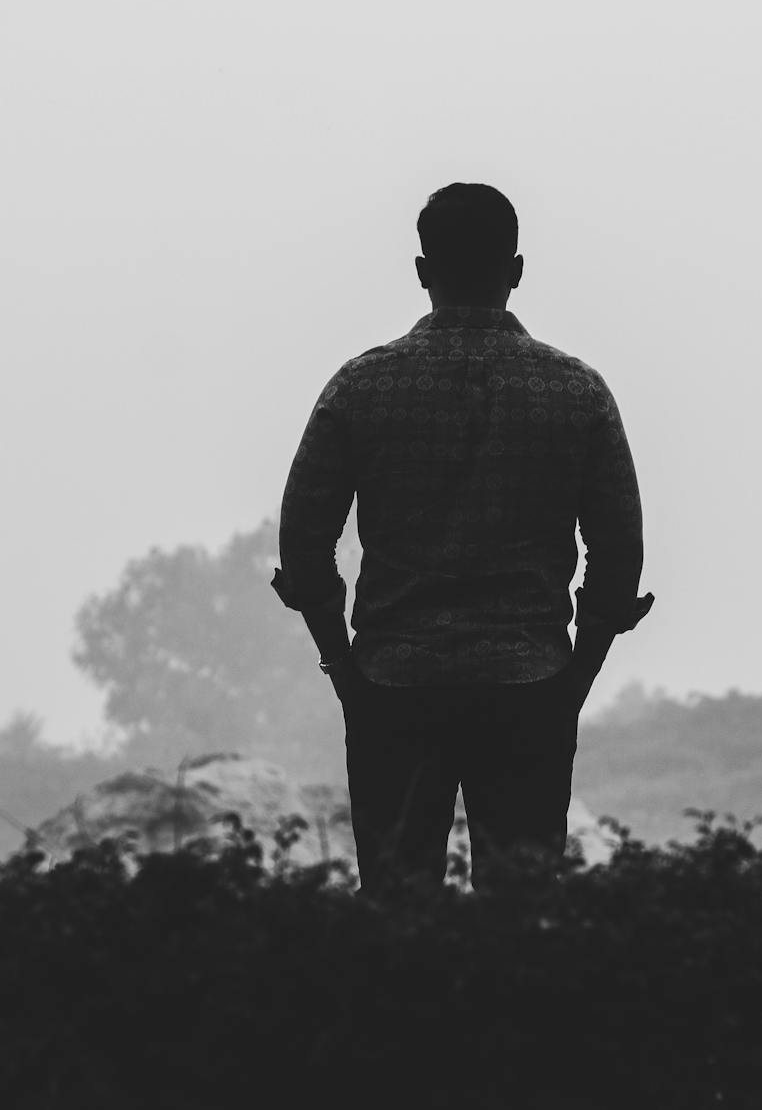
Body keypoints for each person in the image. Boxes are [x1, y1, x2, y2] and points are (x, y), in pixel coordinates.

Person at [271, 182, 653, 897]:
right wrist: (577, 678)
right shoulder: (577, 393)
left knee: (396, 906)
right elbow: (618, 557)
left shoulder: (361, 387)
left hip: (393, 684)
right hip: (529, 685)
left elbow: (302, 547)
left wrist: (344, 671)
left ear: (422, 271)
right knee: (522, 912)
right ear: (515, 268)